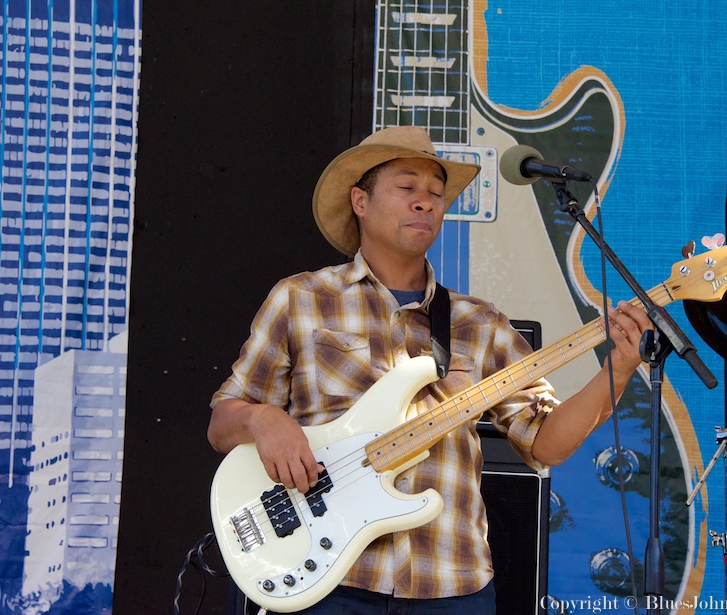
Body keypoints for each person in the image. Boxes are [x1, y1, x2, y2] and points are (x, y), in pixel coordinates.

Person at [207, 125, 652, 614]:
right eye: (407, 188)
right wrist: (262, 419)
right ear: (360, 201)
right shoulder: (301, 299)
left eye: (437, 194)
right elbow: (224, 422)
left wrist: (620, 369)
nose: (426, 203)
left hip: (451, 583)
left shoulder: (479, 324)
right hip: (329, 580)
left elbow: (545, 442)